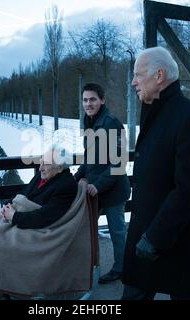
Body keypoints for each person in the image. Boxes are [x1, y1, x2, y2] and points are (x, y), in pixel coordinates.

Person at [121, 47, 190, 300]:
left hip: (172, 238)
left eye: (138, 75)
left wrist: (155, 237)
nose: (133, 82)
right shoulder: (154, 111)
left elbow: (188, 189)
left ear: (159, 75)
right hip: (146, 233)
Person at [0, 146, 93, 300]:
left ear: (59, 168)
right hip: (24, 216)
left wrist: (15, 216)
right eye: (41, 162)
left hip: (43, 230)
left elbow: (45, 217)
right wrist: (9, 204)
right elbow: (25, 194)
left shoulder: (66, 185)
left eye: (46, 164)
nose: (41, 167)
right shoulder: (43, 176)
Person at [74, 83, 131, 284]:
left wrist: (97, 185)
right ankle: (84, 267)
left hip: (113, 189)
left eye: (93, 99)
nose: (88, 104)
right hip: (94, 188)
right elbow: (90, 159)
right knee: (84, 229)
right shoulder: (88, 122)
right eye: (85, 100)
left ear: (102, 100)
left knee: (117, 232)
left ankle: (122, 269)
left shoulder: (111, 123)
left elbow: (119, 163)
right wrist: (75, 179)